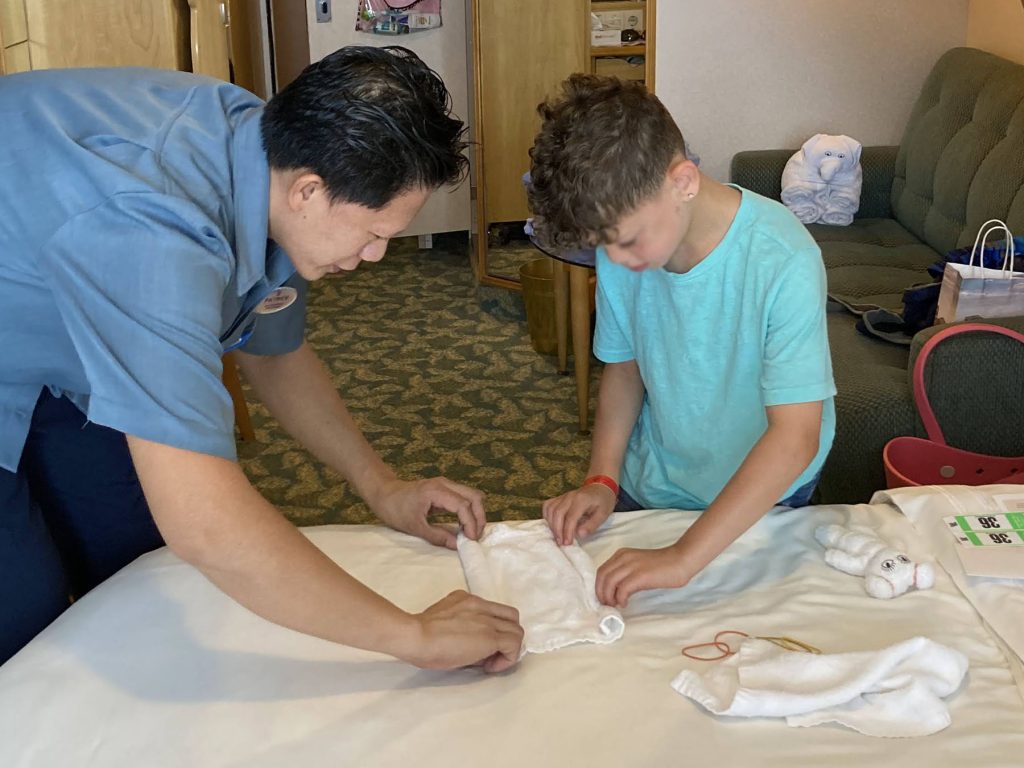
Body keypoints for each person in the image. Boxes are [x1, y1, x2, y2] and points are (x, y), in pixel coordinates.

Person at [0, 46, 523, 670]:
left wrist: (379, 484)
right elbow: (207, 525)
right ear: (308, 190)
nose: (378, 256)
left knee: (134, 567)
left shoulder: (269, 156)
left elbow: (273, 349)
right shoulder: (153, 241)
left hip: (49, 322)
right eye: (376, 233)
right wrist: (413, 637)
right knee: (24, 618)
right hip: (44, 301)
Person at [528, 75, 836, 609]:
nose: (617, 261)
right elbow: (624, 371)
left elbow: (796, 437)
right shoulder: (625, 249)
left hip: (765, 496)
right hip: (657, 482)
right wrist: (602, 477)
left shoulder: (784, 258)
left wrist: (684, 557)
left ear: (684, 182)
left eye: (625, 241)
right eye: (603, 245)